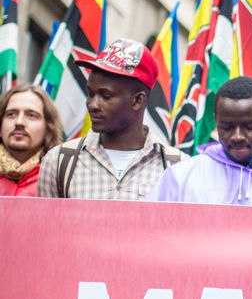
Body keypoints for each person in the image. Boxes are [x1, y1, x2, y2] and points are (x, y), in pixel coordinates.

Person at [38, 39, 180, 200]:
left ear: (137, 100)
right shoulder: (58, 162)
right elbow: (45, 225)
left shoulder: (177, 168)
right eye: (90, 94)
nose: (92, 105)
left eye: (105, 96)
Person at [146, 76, 252, 208]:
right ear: (216, 121)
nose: (237, 136)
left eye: (249, 127)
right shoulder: (181, 177)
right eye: (226, 127)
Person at [0, 85, 62, 197]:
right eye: (11, 114)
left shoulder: (60, 178)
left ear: (48, 129)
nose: (19, 122)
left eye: (31, 115)